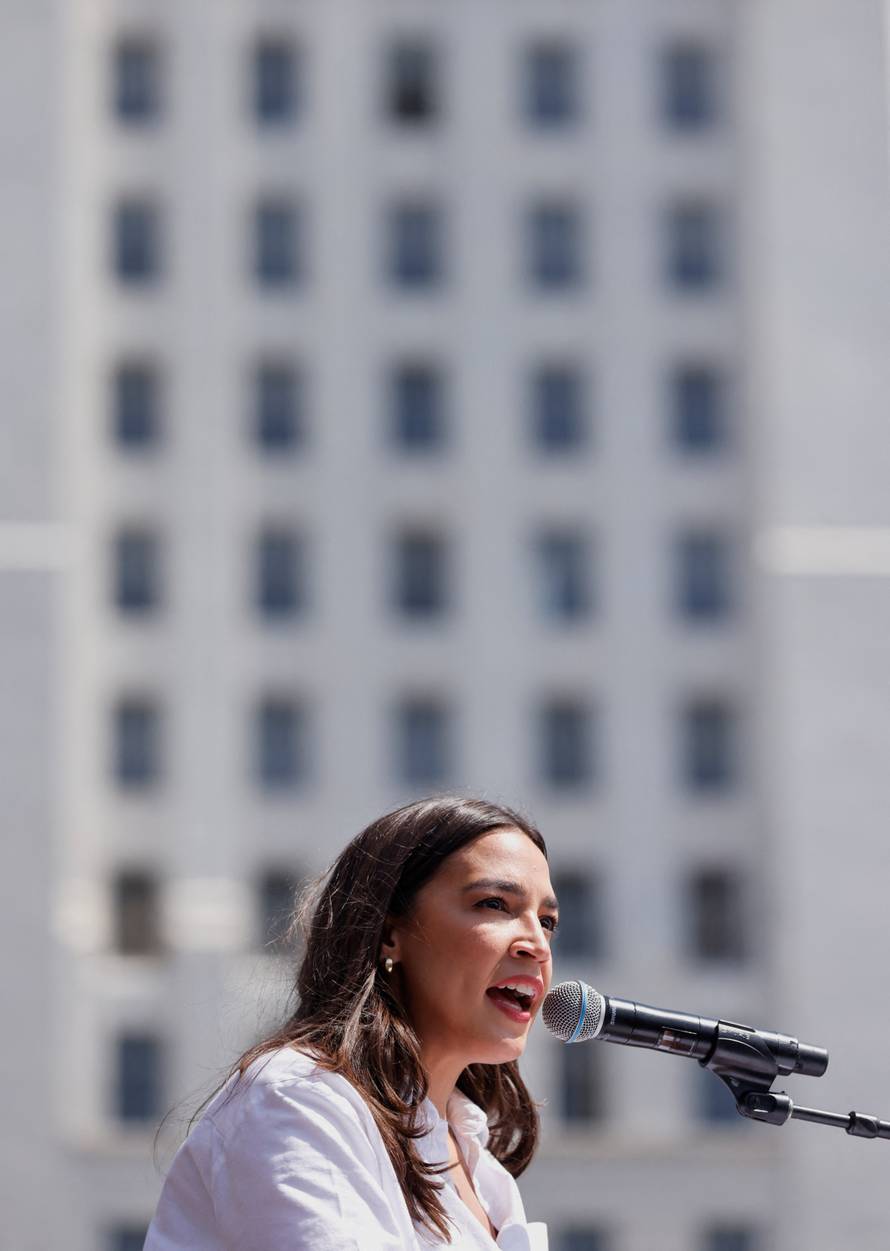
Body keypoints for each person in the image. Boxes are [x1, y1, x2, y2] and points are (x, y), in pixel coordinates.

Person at [145, 795, 558, 1250]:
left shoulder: (480, 1162)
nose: (537, 944)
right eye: (494, 904)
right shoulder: (297, 1097)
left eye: (547, 922)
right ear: (388, 933)